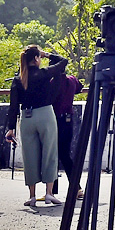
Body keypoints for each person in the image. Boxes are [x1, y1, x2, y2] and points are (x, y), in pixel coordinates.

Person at [5, 45, 68, 207]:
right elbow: (63, 61)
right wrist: (46, 54)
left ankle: (32, 196)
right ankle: (48, 193)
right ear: (36, 59)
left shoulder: (18, 79)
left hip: (27, 118)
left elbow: (13, 106)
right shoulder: (44, 73)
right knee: (50, 153)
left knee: (30, 157)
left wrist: (11, 128)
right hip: (46, 115)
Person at [50, 70, 84, 200]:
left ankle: (53, 190)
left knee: (55, 155)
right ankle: (76, 187)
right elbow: (79, 89)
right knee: (65, 155)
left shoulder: (53, 82)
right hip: (69, 120)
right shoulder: (72, 80)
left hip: (56, 120)